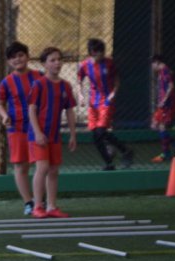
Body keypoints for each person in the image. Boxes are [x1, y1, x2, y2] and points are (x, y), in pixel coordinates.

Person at [28, 47, 77, 219]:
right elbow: (32, 110)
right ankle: (37, 206)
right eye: (52, 60)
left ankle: (52, 206)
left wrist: (73, 134)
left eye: (59, 59)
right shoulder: (39, 84)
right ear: (44, 64)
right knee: (42, 167)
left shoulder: (65, 86)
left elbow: (70, 110)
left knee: (54, 170)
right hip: (38, 135)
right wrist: (37, 132)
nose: (57, 63)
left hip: (55, 135)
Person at [0, 41, 41, 216]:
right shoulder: (6, 82)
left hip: (38, 128)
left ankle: (40, 200)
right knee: (21, 166)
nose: (18, 59)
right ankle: (28, 202)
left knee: (42, 165)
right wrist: (4, 115)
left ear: (28, 57)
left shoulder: (40, 76)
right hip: (17, 128)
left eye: (21, 55)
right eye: (13, 57)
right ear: (9, 62)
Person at [77, 38, 133, 170]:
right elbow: (79, 80)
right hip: (93, 103)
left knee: (101, 131)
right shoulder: (84, 65)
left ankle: (124, 150)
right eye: (96, 53)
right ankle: (111, 161)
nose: (99, 55)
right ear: (91, 52)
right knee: (96, 136)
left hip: (106, 101)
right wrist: (80, 94)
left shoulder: (109, 64)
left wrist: (113, 93)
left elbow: (117, 79)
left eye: (101, 53)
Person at [150, 55, 175, 163]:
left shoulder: (165, 70)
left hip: (167, 105)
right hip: (163, 105)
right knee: (154, 125)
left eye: (152, 64)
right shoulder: (162, 72)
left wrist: (164, 100)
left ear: (157, 62)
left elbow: (171, 86)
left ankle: (166, 153)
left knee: (161, 126)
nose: (152, 67)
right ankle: (174, 142)